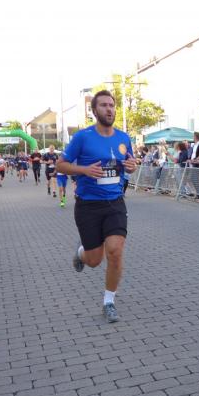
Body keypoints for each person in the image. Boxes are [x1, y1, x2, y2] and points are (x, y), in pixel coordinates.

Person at [56, 90, 136, 324]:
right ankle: (82, 253)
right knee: (94, 260)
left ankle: (109, 302)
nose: (109, 109)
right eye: (104, 105)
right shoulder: (82, 137)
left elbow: (129, 164)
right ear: (94, 110)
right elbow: (60, 165)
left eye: (112, 105)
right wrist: (84, 170)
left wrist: (131, 166)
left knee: (115, 250)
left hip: (115, 202)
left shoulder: (123, 138)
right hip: (88, 205)